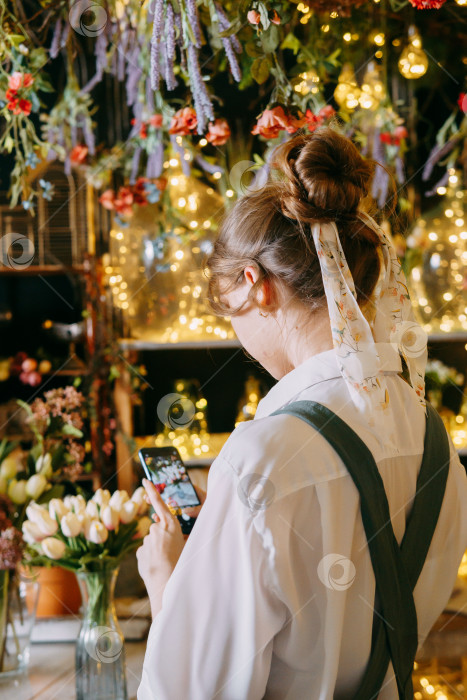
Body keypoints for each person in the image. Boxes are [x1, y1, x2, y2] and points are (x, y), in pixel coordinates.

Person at [136, 127, 467, 699]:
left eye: (228, 313)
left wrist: (171, 585)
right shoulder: (434, 441)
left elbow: (190, 692)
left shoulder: (259, 461)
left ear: (255, 285)